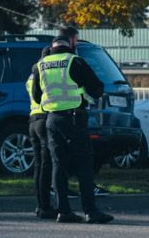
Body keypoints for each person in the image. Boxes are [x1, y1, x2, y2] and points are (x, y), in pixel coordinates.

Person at [32, 26, 114, 224]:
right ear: (69, 44)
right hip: (74, 117)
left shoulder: (40, 65)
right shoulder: (74, 61)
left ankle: (64, 211)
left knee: (58, 165)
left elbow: (36, 96)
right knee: (84, 164)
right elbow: (96, 89)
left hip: (51, 118)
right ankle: (90, 210)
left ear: (52, 47)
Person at [26, 47, 56, 220]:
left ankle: (39, 205)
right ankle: (45, 206)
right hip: (45, 119)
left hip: (33, 120)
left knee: (38, 166)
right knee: (47, 165)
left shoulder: (31, 76)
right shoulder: (46, 73)